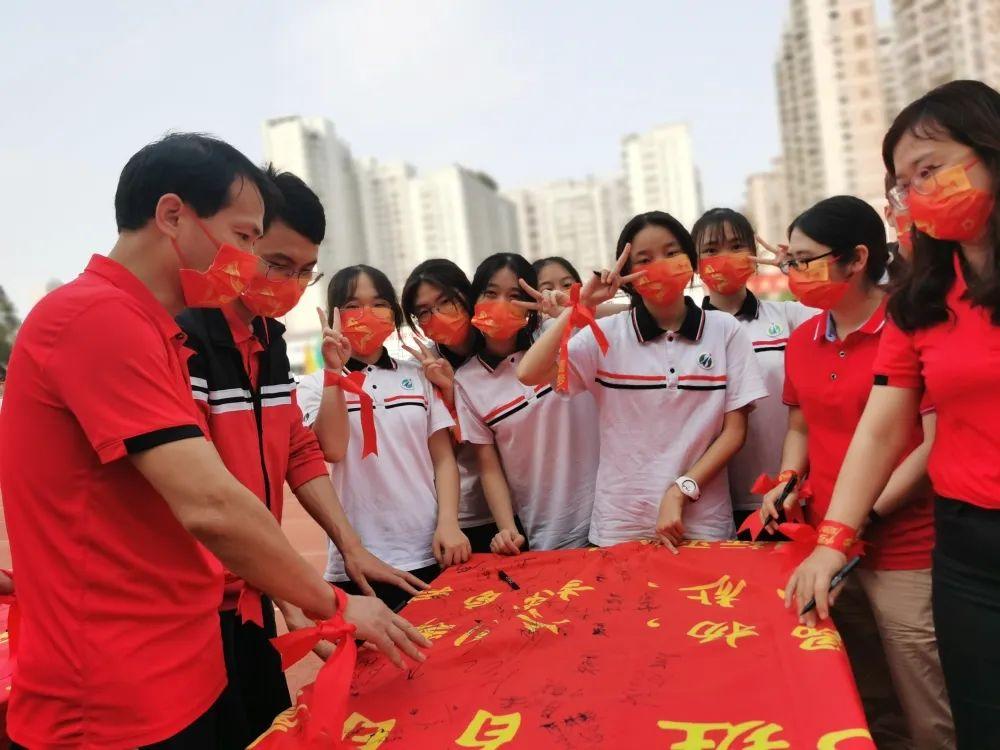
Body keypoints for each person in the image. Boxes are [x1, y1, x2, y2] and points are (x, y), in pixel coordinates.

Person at [0, 134, 427, 748]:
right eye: (246, 237)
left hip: (182, 658)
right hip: (116, 695)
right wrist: (329, 602)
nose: (250, 262)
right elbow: (210, 503)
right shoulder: (96, 317)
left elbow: (289, 454)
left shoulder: (154, 330)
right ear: (173, 215)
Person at [176, 167, 428, 748]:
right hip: (190, 606)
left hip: (248, 594)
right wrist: (308, 596)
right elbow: (206, 498)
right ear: (241, 243)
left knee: (267, 728)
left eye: (303, 271)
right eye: (276, 264)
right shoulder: (185, 337)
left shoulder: (269, 341)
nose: (289, 283)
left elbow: (299, 449)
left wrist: (350, 546)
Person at [785, 79, 1000, 749]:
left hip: (923, 542)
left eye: (929, 169)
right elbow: (881, 428)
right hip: (969, 548)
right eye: (902, 184)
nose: (916, 193)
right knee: (977, 718)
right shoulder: (921, 301)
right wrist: (833, 541)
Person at [759, 195, 950, 749]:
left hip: (904, 547)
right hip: (827, 546)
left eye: (805, 260)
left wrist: (865, 517)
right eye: (789, 262)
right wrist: (786, 482)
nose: (793, 273)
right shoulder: (803, 340)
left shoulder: (909, 326)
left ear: (858, 258)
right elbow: (800, 428)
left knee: (927, 702)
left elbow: (930, 445)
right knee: (861, 691)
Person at [518, 212, 767, 550]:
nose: (659, 265)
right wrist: (580, 308)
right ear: (627, 275)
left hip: (703, 523)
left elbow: (734, 432)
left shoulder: (725, 330)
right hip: (620, 527)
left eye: (671, 253)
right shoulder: (607, 335)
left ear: (691, 261)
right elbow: (529, 373)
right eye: (644, 260)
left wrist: (681, 491)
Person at [298, 265, 463, 612]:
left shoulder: (420, 376)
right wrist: (334, 374)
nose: (367, 314)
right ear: (335, 314)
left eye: (379, 304)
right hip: (358, 561)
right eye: (353, 305)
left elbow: (443, 459)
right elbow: (333, 449)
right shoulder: (314, 386)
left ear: (394, 312)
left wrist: (449, 523)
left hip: (429, 549)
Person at [453, 253, 599, 554]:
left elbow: (619, 316)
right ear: (474, 299)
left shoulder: (558, 335)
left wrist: (571, 309)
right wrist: (507, 528)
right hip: (549, 530)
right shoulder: (466, 381)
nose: (502, 304)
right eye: (491, 293)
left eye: (514, 296)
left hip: (608, 515)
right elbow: (489, 466)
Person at [692, 208, 814, 531]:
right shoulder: (688, 333)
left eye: (736, 246)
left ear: (755, 254)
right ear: (695, 264)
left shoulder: (787, 316)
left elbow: (844, 311)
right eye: (711, 250)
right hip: (715, 503)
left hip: (787, 493)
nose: (725, 258)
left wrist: (795, 270)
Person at [400, 259, 505, 553]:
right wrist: (448, 394)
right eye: (424, 312)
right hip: (470, 515)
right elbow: (447, 453)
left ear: (466, 294)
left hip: (526, 502)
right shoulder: (424, 369)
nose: (437, 315)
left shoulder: (504, 342)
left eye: (445, 301)